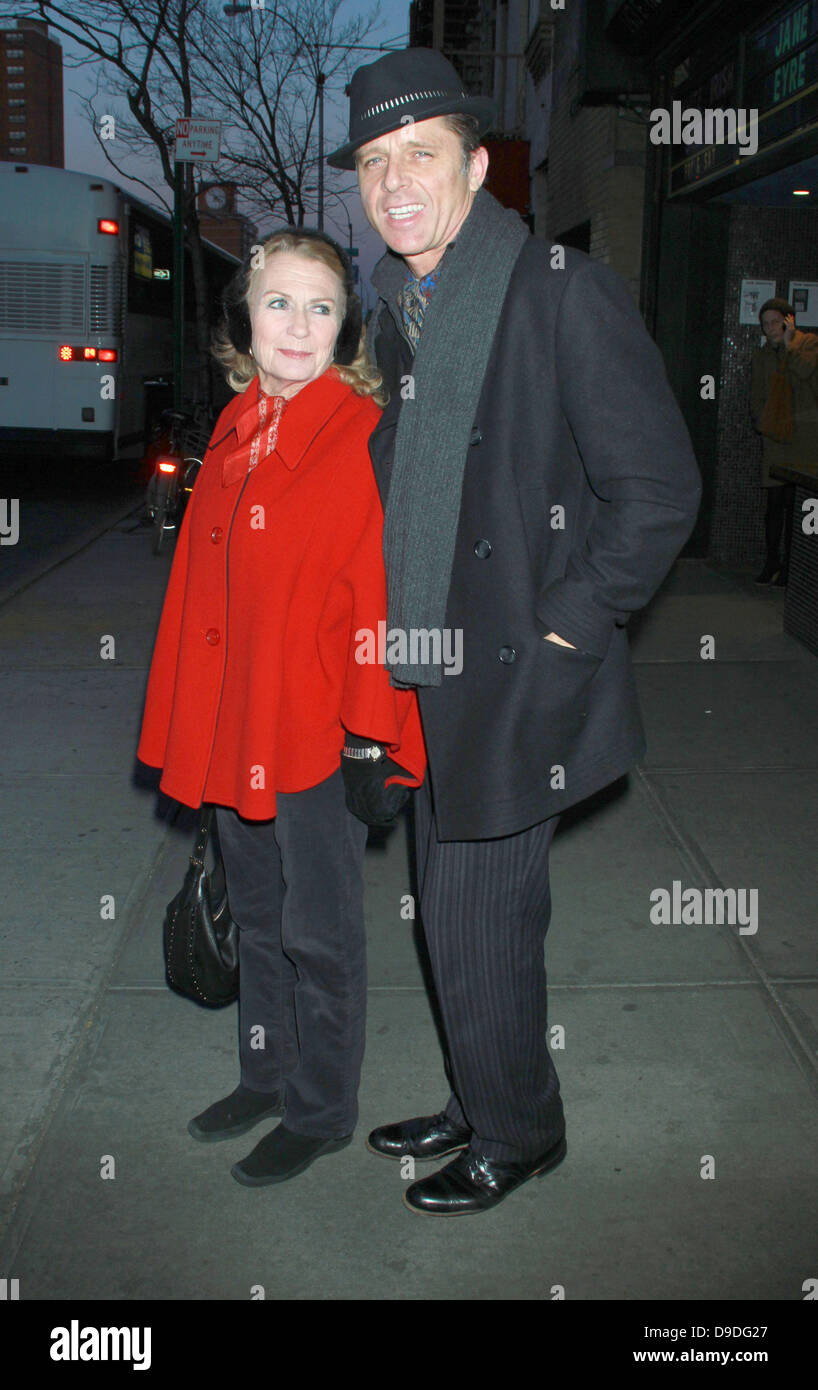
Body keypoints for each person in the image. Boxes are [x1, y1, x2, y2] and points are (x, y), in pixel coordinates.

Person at [328, 47, 703, 1216]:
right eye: (375, 163)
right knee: (447, 922)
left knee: (485, 923)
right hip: (423, 675)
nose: (394, 183)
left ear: (476, 166)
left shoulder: (555, 291)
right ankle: (477, 1092)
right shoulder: (401, 317)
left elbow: (658, 490)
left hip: (517, 680)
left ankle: (518, 1133)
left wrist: (560, 633)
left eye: (420, 155)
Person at [136, 228, 426, 1187]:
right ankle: (265, 1072)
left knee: (320, 932)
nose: (297, 326)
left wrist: (372, 736)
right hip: (236, 724)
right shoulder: (235, 424)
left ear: (347, 329)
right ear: (244, 320)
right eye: (278, 303)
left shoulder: (357, 436)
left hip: (316, 733)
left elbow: (376, 597)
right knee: (254, 917)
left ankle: (323, 1108)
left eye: (322, 307)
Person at [750, 297, 818, 586]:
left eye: (775, 322)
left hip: (804, 436)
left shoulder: (808, 344)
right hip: (776, 436)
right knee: (775, 503)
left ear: (789, 321)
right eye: (765, 324)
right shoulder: (762, 355)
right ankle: (771, 561)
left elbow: (805, 372)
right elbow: (756, 394)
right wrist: (760, 422)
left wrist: (790, 344)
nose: (770, 329)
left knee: (797, 504)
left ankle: (793, 566)